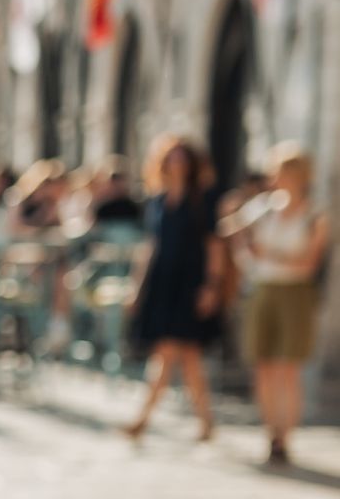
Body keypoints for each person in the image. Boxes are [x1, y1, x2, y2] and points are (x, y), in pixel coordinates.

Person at [224, 141, 330, 465]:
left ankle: (286, 436)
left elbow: (309, 264)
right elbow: (229, 228)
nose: (275, 177)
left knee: (288, 367)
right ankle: (272, 434)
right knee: (264, 366)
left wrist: (269, 254)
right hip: (263, 288)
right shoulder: (263, 207)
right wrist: (245, 254)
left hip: (295, 293)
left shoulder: (315, 215)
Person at [125, 133, 226, 443]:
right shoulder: (156, 200)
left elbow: (214, 245)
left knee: (177, 353)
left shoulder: (204, 199)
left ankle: (143, 418)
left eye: (182, 158)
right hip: (162, 283)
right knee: (180, 355)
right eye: (172, 158)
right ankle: (204, 422)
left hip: (190, 283)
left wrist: (212, 285)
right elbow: (150, 247)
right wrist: (137, 288)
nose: (177, 163)